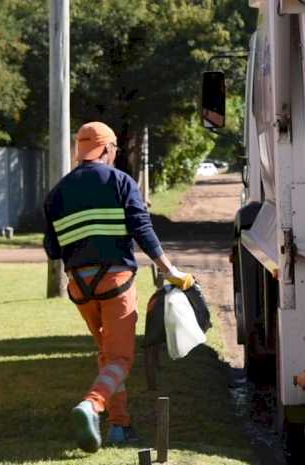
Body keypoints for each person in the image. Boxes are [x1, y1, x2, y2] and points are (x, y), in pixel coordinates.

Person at [43, 121, 194, 453]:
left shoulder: (57, 193)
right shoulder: (121, 182)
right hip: (116, 283)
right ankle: (92, 405)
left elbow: (53, 250)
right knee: (121, 358)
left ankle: (120, 425)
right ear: (106, 149)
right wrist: (170, 271)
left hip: (80, 288)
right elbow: (143, 231)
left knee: (108, 355)